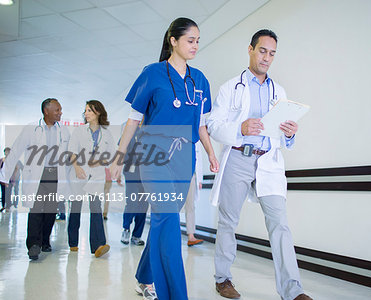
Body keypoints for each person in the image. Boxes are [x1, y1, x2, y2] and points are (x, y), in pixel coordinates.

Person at [110, 17, 219, 300]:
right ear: (173, 40)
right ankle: (174, 294)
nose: (196, 46)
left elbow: (202, 125)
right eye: (190, 40)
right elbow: (133, 121)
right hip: (154, 154)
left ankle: (144, 276)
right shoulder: (153, 73)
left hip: (185, 157)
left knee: (163, 220)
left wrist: (210, 152)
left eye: (198, 40)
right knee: (168, 216)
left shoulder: (200, 80)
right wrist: (117, 158)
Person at [207, 29, 312, 300]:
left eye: (272, 53)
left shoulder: (280, 91)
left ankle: (292, 290)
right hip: (239, 157)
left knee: (280, 224)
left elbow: (281, 131)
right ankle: (223, 279)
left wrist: (290, 133)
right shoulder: (231, 87)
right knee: (229, 220)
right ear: (251, 49)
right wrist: (240, 127)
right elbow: (214, 126)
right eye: (263, 51)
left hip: (267, 161)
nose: (267, 58)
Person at [0, 98, 71, 260]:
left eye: (60, 110)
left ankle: (45, 240)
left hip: (56, 176)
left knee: (51, 212)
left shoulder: (63, 131)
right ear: (47, 111)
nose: (60, 113)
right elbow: (16, 149)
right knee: (36, 210)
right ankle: (33, 245)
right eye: (57, 110)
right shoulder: (32, 129)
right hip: (37, 177)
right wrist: (4, 174)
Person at [67, 100, 114, 258]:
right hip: (79, 173)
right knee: (76, 208)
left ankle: (98, 245)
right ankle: (73, 242)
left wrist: (100, 161)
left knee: (96, 208)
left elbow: (111, 155)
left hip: (97, 175)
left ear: (98, 112)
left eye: (90, 111)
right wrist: (77, 168)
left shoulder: (106, 133)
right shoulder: (79, 131)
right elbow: (72, 151)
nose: (86, 113)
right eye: (85, 111)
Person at [185, 142, 204, 246]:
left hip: (190, 175)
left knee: (190, 205)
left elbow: (199, 158)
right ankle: (167, 235)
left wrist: (199, 179)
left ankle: (191, 236)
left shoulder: (195, 139)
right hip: (174, 174)